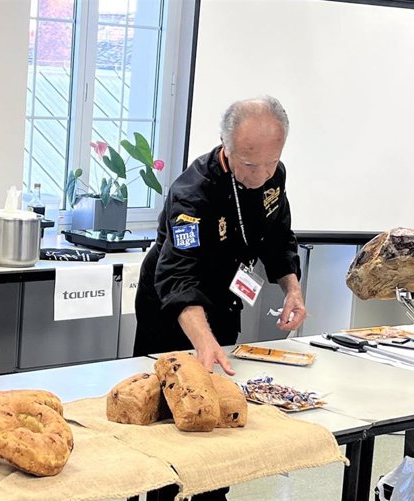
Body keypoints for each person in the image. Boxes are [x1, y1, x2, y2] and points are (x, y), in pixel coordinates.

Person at [134, 95, 306, 501]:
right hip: (172, 312)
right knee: (171, 424)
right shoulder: (192, 194)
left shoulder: (272, 175)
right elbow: (177, 276)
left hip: (225, 300)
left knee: (221, 411)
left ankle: (214, 494)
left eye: (271, 162)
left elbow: (279, 237)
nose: (262, 174)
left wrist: (292, 288)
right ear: (225, 147)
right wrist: (202, 341)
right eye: (250, 165)